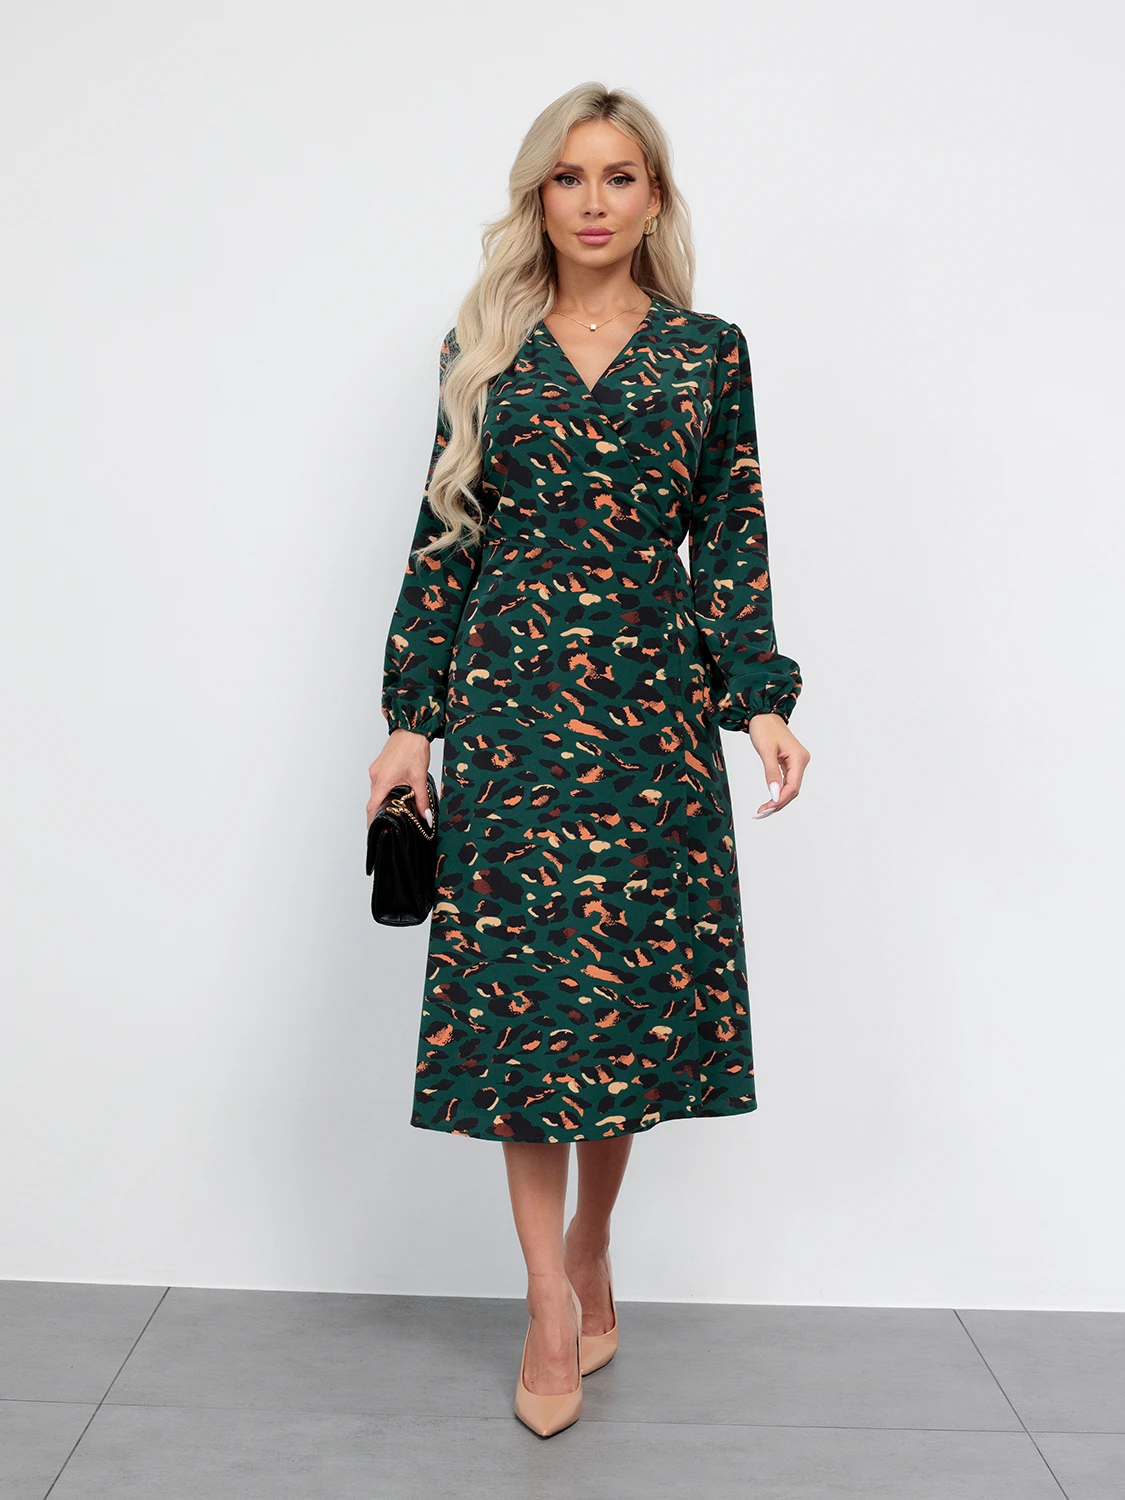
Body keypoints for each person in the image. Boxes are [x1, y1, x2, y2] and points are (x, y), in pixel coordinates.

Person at [368, 81, 811, 1437]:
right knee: (523, 1014)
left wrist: (761, 702)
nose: (596, 201)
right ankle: (547, 1304)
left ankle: (593, 1246)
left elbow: (731, 536)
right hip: (510, 715)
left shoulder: (706, 354)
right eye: (570, 177)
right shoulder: (486, 348)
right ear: (539, 198)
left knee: (619, 1006)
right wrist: (407, 720)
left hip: (647, 716)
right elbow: (445, 540)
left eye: (621, 176)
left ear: (654, 196)